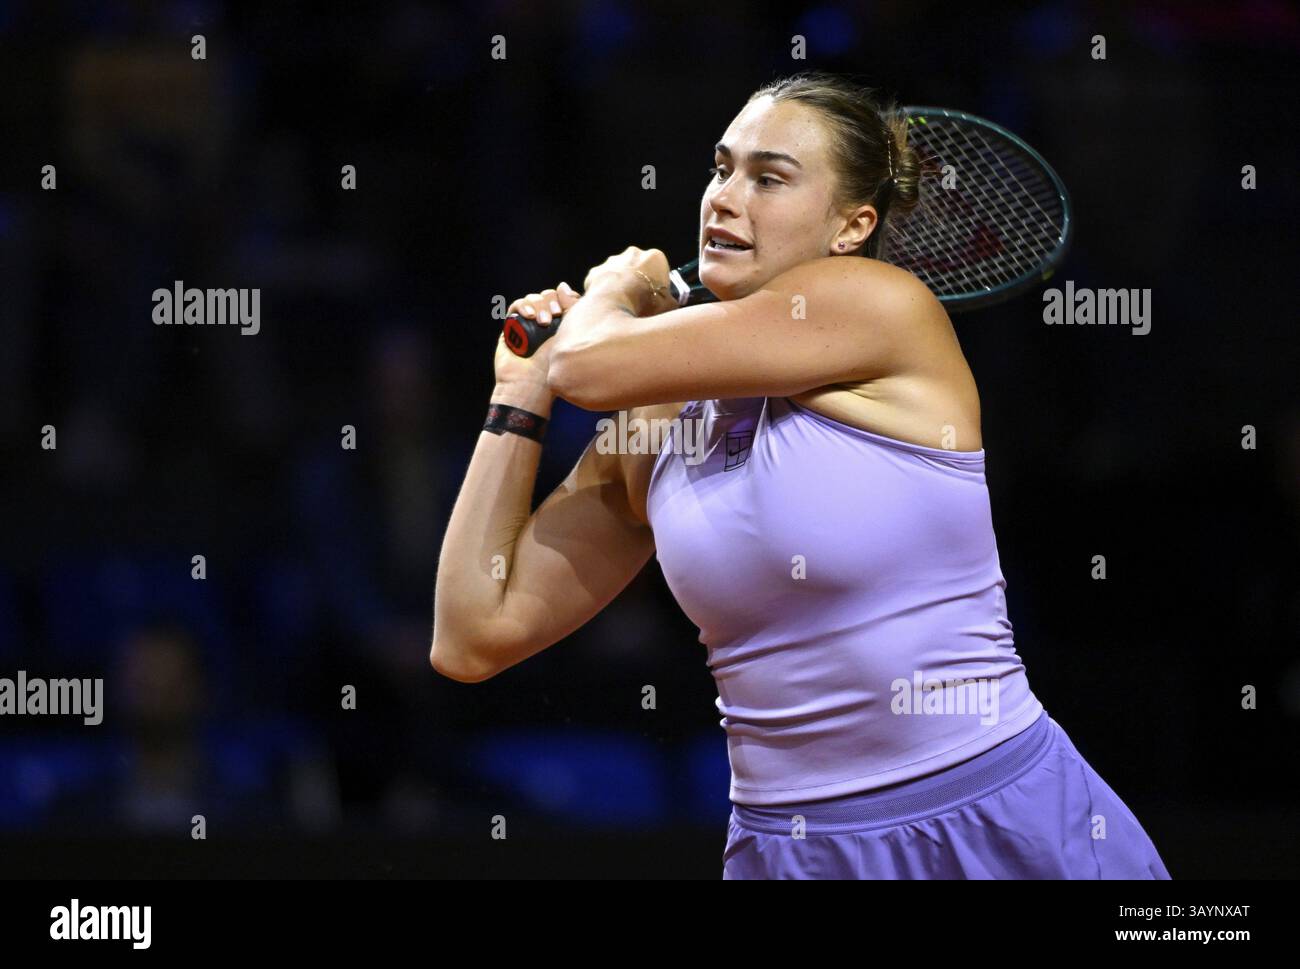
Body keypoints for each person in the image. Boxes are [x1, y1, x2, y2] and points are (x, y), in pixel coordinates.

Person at [432, 71, 1170, 879]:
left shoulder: (878, 305)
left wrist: (618, 289)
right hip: (792, 852)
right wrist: (517, 398)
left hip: (990, 817)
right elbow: (474, 633)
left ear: (853, 225)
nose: (723, 196)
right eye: (720, 169)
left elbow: (585, 362)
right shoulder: (654, 417)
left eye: (769, 178)